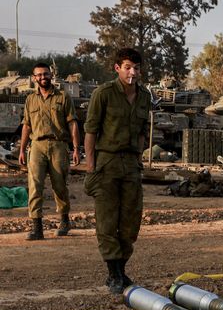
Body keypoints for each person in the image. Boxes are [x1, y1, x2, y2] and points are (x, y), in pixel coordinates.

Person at [84, 48, 153, 294]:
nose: (132, 73)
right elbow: (90, 131)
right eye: (127, 68)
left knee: (131, 222)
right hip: (107, 163)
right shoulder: (103, 94)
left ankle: (120, 268)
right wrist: (91, 167)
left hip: (132, 165)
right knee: (106, 221)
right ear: (117, 68)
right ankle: (114, 274)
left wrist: (140, 153)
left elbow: (144, 129)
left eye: (136, 68)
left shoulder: (144, 96)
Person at [19, 63, 79, 240]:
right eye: (39, 75)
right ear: (34, 77)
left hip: (58, 145)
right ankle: (37, 227)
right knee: (34, 185)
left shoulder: (63, 96)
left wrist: (76, 148)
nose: (42, 77)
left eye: (45, 74)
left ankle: (64, 220)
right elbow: (26, 125)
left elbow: (72, 123)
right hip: (36, 145)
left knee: (59, 185)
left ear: (51, 75)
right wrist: (22, 150)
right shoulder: (30, 99)